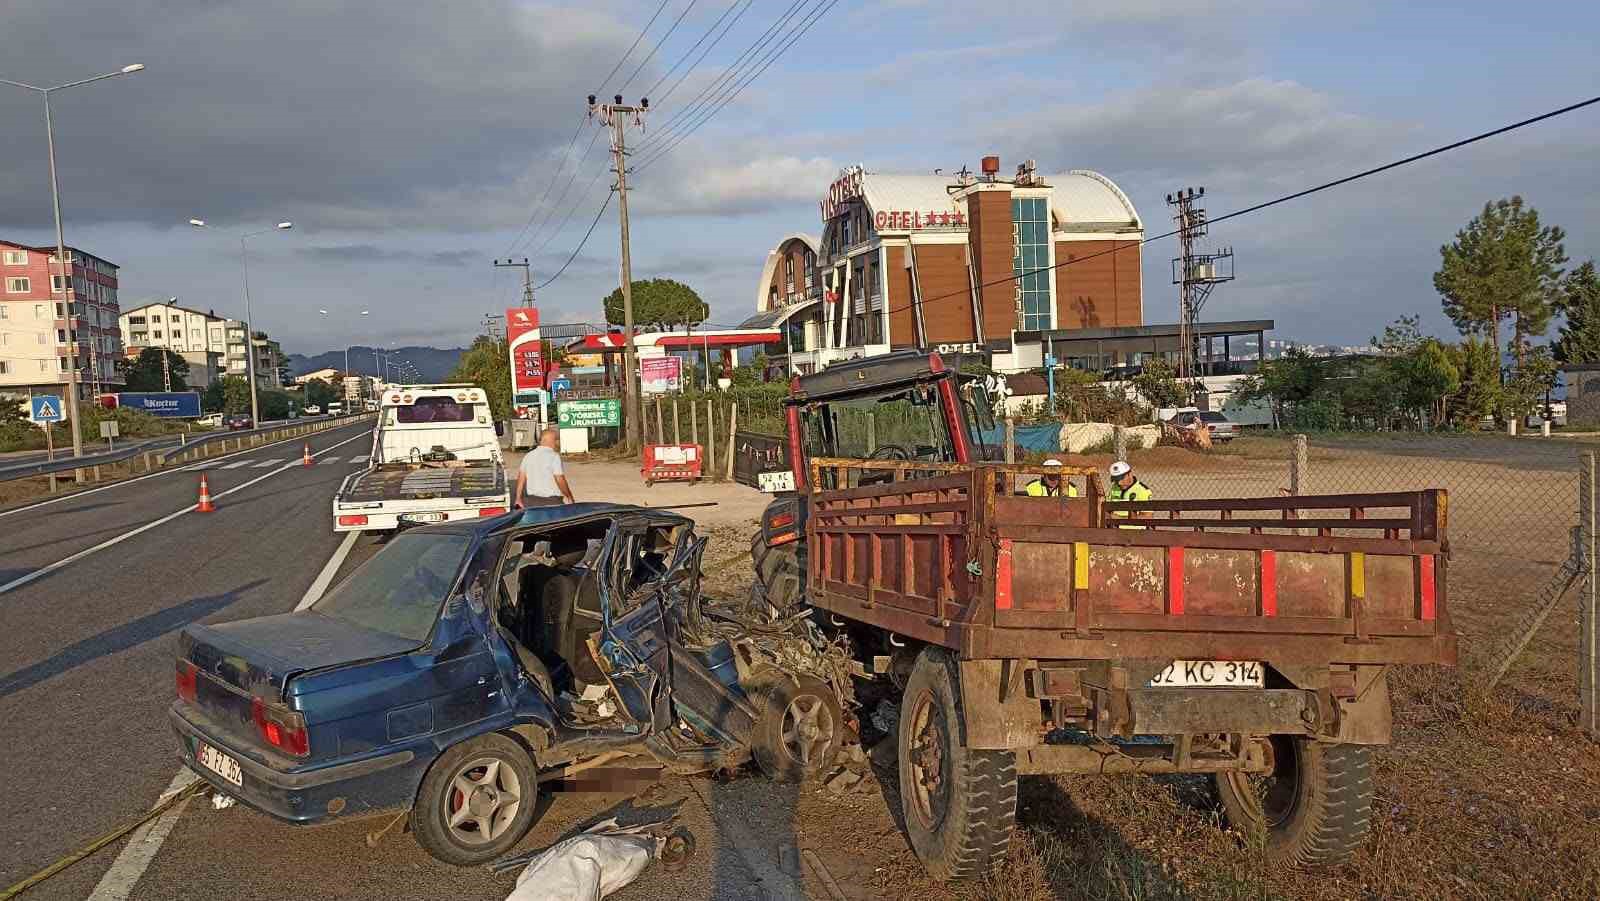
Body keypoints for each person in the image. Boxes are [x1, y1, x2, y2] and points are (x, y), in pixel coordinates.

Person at [515, 427, 575, 508]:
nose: (557, 443)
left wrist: (518, 499)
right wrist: (569, 496)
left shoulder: (528, 456)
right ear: (549, 440)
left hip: (532, 502)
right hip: (552, 502)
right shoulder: (554, 456)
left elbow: (521, 478)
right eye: (555, 440)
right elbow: (559, 479)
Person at [1107, 460, 1152, 527]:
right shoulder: (1114, 488)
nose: (1119, 483)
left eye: (1121, 478)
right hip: (1114, 531)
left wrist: (1120, 519)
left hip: (1135, 532)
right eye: (1116, 480)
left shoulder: (1142, 490)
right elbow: (1107, 508)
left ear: (1130, 474)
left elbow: (1147, 517)